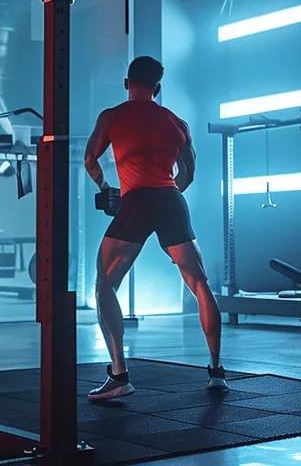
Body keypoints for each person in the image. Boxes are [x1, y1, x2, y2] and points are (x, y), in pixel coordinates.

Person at [83, 56, 224, 400]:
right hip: (171, 199)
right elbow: (188, 174)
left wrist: (107, 190)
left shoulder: (112, 116)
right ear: (158, 88)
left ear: (126, 82)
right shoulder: (176, 122)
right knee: (199, 282)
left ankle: (119, 376)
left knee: (105, 284)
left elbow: (90, 160)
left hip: (136, 200)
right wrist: (168, 199)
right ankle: (217, 371)